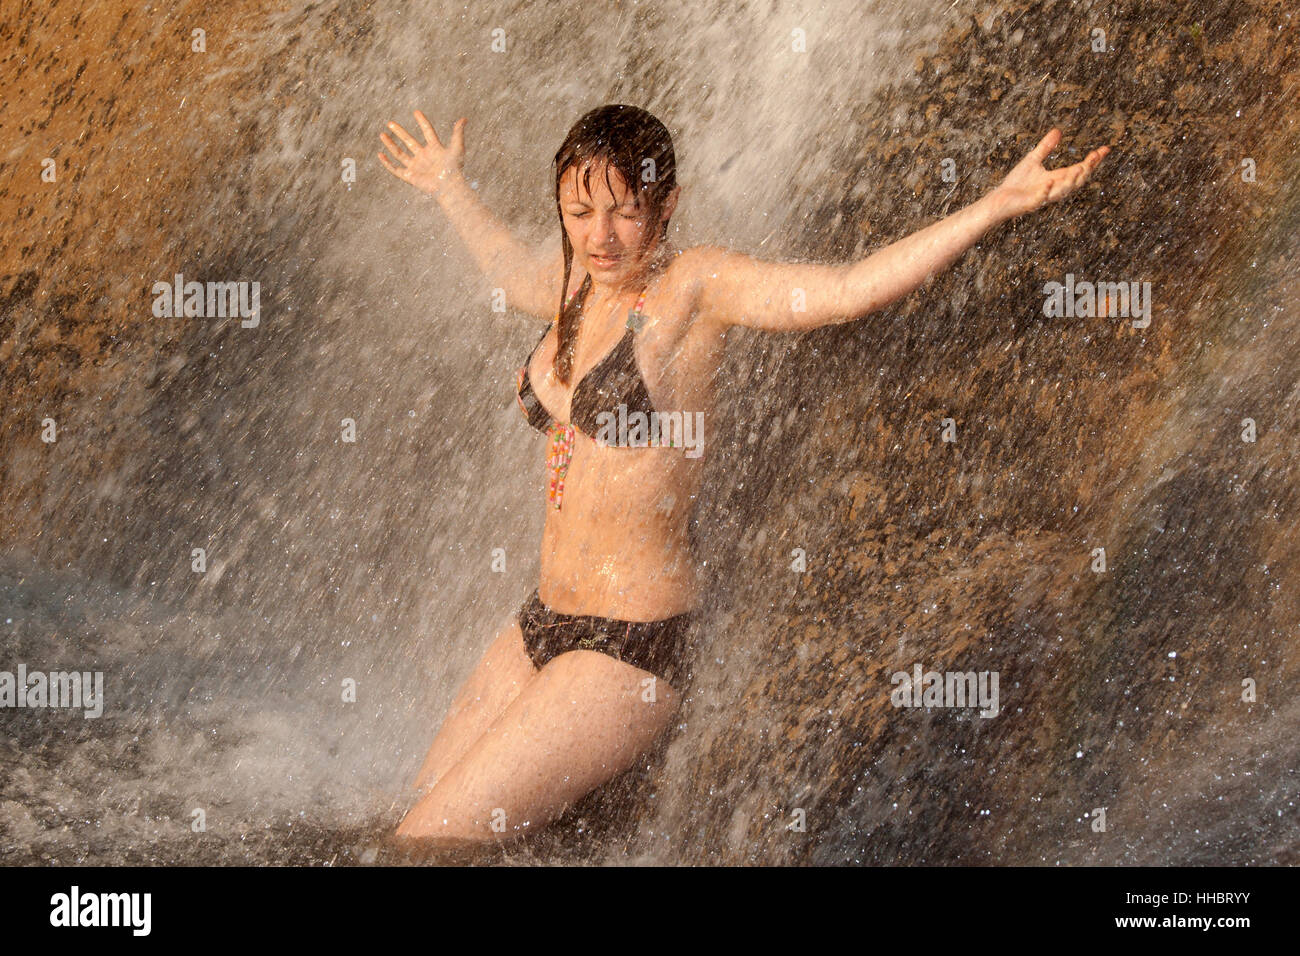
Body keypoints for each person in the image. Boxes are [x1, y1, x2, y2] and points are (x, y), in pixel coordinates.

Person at [377, 103, 1108, 847]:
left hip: (626, 646)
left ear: (667, 203)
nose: (600, 236)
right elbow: (505, 269)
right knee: (399, 824)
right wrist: (448, 186)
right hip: (542, 620)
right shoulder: (576, 286)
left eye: (625, 212)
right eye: (579, 212)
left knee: (425, 845)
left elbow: (847, 289)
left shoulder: (696, 286)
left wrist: (995, 204)